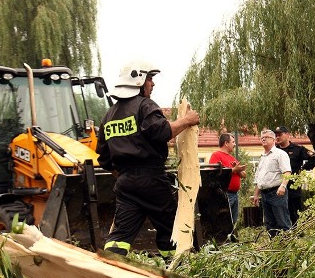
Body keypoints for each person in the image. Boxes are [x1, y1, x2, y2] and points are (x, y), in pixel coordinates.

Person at [96, 60, 200, 257]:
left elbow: (104, 158)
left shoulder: (108, 116)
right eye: (150, 79)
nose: (153, 84)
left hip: (125, 184)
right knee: (171, 226)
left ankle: (110, 269)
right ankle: (176, 270)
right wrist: (187, 120)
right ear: (139, 82)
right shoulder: (144, 106)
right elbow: (161, 132)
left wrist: (127, 176)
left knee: (120, 234)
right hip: (151, 179)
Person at [274, 125, 315, 225]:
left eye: (280, 134)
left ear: (287, 135)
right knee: (280, 212)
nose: (277, 137)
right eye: (276, 135)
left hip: (293, 186)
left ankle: (297, 233)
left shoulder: (298, 149)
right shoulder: (275, 151)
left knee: (294, 212)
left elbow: (314, 157)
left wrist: (303, 169)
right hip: (277, 185)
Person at [251, 129, 292, 237]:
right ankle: (274, 248)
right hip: (264, 194)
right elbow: (259, 178)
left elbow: (287, 171)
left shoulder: (280, 154)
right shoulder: (263, 157)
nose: (263, 139)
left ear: (273, 139)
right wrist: (256, 194)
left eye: (266, 137)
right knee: (270, 223)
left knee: (282, 222)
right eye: (262, 137)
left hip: (277, 193)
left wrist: (283, 186)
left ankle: (288, 247)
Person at [208, 132, 246, 228]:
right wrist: (234, 170)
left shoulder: (231, 157)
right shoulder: (216, 155)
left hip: (235, 194)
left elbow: (244, 175)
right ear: (226, 143)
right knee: (224, 222)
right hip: (224, 194)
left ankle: (232, 241)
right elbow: (214, 175)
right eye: (233, 142)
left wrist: (239, 171)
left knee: (233, 222)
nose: (235, 144)